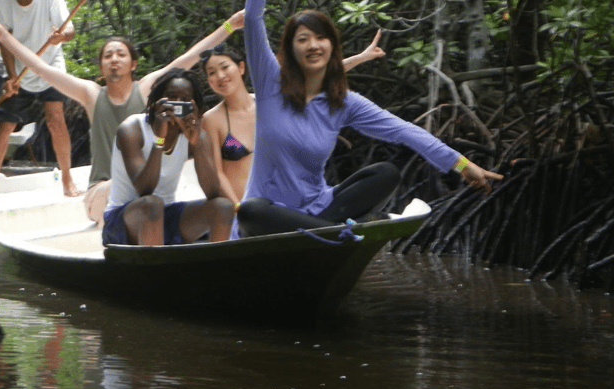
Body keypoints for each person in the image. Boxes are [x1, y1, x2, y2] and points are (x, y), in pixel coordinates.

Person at [235, 0, 503, 238]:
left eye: (320, 37)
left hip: (320, 207)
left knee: (386, 173)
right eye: (303, 39)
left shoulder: (344, 102)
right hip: (268, 216)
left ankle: (325, 232)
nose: (313, 45)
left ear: (332, 46)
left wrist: (462, 163)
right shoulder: (270, 82)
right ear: (291, 49)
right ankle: (340, 232)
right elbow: (252, 18)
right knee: (250, 210)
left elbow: (404, 131)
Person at [0, 9, 245, 222]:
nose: (114, 59)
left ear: (133, 64)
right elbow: (42, 68)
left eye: (121, 54)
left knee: (172, 193)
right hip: (102, 193)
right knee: (129, 191)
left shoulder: (147, 88)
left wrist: (230, 25)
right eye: (108, 55)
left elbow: (189, 57)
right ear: (101, 66)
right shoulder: (91, 94)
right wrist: (3, 36)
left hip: (146, 189)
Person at [200, 29, 386, 204]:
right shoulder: (212, 119)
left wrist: (362, 57)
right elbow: (217, 174)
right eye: (212, 73)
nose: (220, 76)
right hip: (248, 209)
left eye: (225, 67)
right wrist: (237, 208)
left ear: (241, 67)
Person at [103, 69, 234, 246]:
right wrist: (160, 139)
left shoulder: (195, 135)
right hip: (123, 221)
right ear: (157, 102)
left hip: (165, 215)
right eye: (172, 98)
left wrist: (197, 143)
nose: (177, 104)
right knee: (152, 204)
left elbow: (212, 192)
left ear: (194, 106)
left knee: (223, 207)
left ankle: (214, 271)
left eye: (185, 100)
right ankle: (158, 273)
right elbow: (144, 189)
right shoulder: (132, 129)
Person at [0, 0, 81, 205]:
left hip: (50, 63)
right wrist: (11, 76)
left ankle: (67, 179)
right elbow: (3, 38)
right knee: (5, 124)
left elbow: (69, 29)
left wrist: (62, 36)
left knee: (55, 118)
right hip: (20, 65)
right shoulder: (1, 2)